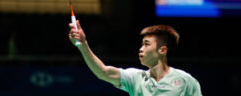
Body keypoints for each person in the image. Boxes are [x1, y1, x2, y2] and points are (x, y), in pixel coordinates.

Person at [69, 20, 202, 96]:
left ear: (162, 50)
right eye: (141, 44)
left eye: (146, 44)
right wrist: (83, 45)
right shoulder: (136, 78)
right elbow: (103, 72)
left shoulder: (186, 81)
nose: (141, 49)